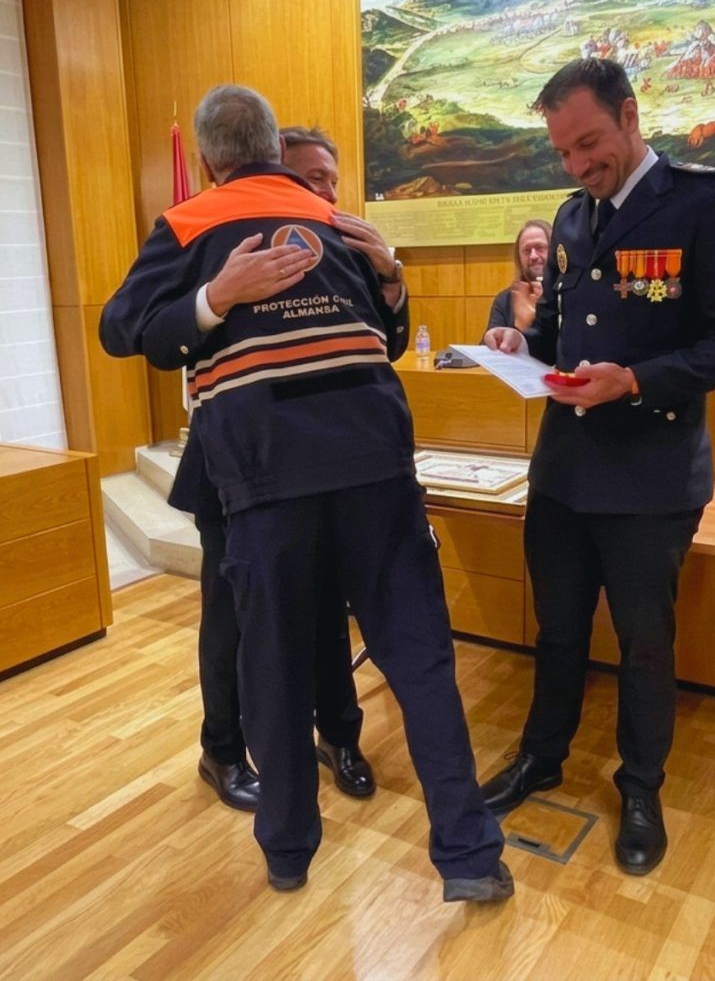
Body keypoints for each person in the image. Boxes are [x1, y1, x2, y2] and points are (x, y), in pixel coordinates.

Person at [101, 84, 511, 902]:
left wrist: (215, 297)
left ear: (213, 158)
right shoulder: (334, 222)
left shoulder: (189, 224)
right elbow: (381, 348)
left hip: (269, 473)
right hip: (375, 463)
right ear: (275, 153)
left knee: (276, 667)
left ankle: (288, 852)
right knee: (421, 660)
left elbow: (122, 330)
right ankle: (469, 857)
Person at [481, 58, 715, 876]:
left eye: (589, 143)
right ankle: (543, 757)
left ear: (631, 116)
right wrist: (520, 341)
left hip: (651, 474)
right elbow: (563, 330)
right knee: (558, 630)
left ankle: (640, 788)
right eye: (562, 151)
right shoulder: (572, 218)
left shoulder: (705, 201)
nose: (577, 166)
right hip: (566, 470)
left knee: (642, 644)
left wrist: (634, 380)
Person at [169, 125, 396, 812]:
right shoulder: (217, 244)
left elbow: (384, 342)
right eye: (308, 179)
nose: (321, 193)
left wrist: (391, 280)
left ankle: (340, 737)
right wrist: (218, 298)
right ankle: (223, 749)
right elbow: (141, 326)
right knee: (234, 619)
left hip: (326, 459)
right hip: (237, 468)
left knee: (330, 607)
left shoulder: (340, 242)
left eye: (329, 178)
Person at [485, 219, 553, 331]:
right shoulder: (506, 299)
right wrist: (519, 326)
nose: (533, 256)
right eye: (526, 250)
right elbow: (490, 346)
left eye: (540, 248)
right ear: (519, 258)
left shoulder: (566, 296)